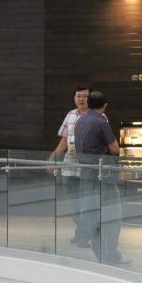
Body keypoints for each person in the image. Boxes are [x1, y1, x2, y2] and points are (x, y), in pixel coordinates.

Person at [73, 90, 128, 265]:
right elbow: (115, 149)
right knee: (112, 217)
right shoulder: (101, 122)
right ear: (104, 105)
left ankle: (101, 255)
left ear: (88, 104)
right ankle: (111, 255)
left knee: (94, 218)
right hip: (104, 178)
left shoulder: (80, 121)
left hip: (86, 176)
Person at [49, 86, 90, 247]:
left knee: (85, 204)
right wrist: (53, 159)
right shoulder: (70, 115)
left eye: (85, 96)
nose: (81, 99)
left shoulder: (97, 116)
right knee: (73, 204)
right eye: (78, 96)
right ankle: (83, 233)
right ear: (74, 98)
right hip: (69, 166)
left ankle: (85, 235)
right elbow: (64, 140)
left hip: (86, 168)